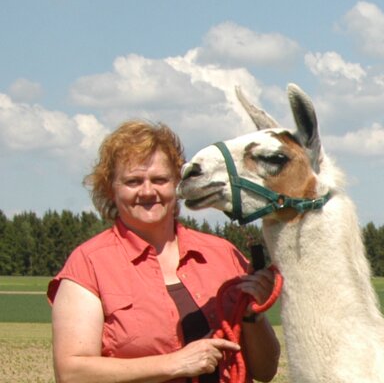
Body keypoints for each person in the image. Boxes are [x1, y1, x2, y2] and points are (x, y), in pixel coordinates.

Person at [47, 120, 280, 383]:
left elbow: (265, 371)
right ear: (111, 189)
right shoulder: (89, 264)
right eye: (133, 181)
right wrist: (174, 364)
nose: (148, 191)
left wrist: (252, 317)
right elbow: (71, 374)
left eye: (159, 179)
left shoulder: (222, 255)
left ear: (177, 185)